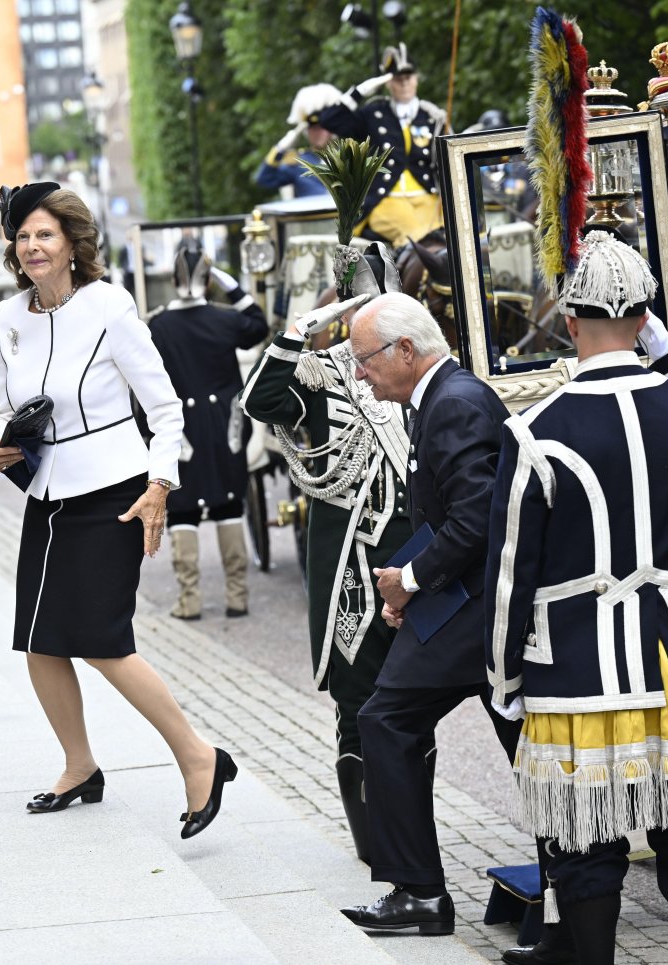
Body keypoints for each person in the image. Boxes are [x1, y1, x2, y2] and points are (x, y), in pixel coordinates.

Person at [485, 230, 668, 965]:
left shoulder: (533, 429)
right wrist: (665, 352)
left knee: (584, 838)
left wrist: (504, 680)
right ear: (645, 319)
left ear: (570, 323)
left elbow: (512, 570)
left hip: (579, 661)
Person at [0, 182, 236, 839]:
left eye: (45, 235)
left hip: (118, 489)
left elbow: (166, 408)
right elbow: (10, 405)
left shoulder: (111, 306)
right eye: (23, 236)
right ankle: (80, 764)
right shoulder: (7, 319)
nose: (32, 246)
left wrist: (161, 484)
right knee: (37, 637)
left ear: (71, 243)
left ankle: (200, 756)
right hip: (45, 490)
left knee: (102, 638)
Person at [339, 291, 527, 936]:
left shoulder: (452, 405)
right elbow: (455, 515)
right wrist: (410, 586)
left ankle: (421, 895)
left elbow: (478, 518)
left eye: (364, 360)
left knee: (386, 721)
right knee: (522, 741)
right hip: (465, 607)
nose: (359, 374)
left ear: (405, 351)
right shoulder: (444, 398)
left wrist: (414, 579)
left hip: (475, 614)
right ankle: (573, 875)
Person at [241, 266, 410, 865]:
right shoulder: (323, 372)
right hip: (355, 576)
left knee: (421, 709)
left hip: (427, 566)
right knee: (358, 708)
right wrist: (295, 335)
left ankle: (414, 839)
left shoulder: (425, 369)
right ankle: (379, 849)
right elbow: (259, 400)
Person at [148, 241, 268, 620]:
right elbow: (259, 326)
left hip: (180, 430)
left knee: (182, 509)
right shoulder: (224, 318)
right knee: (230, 503)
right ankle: (237, 596)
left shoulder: (159, 325)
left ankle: (190, 599)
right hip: (225, 426)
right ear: (210, 281)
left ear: (172, 278)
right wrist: (233, 287)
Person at [315, 44, 449, 247]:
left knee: (452, 237)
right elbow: (330, 120)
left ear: (416, 79)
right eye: (397, 79)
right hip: (386, 200)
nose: (404, 84)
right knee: (418, 236)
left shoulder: (432, 117)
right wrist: (360, 91)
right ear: (388, 83)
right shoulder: (374, 115)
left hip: (428, 197)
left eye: (408, 77)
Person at [254, 84, 340, 198]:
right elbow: (265, 179)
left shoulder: (348, 157)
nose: (317, 132)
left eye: (322, 127)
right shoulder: (299, 163)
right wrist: (280, 149)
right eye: (312, 128)